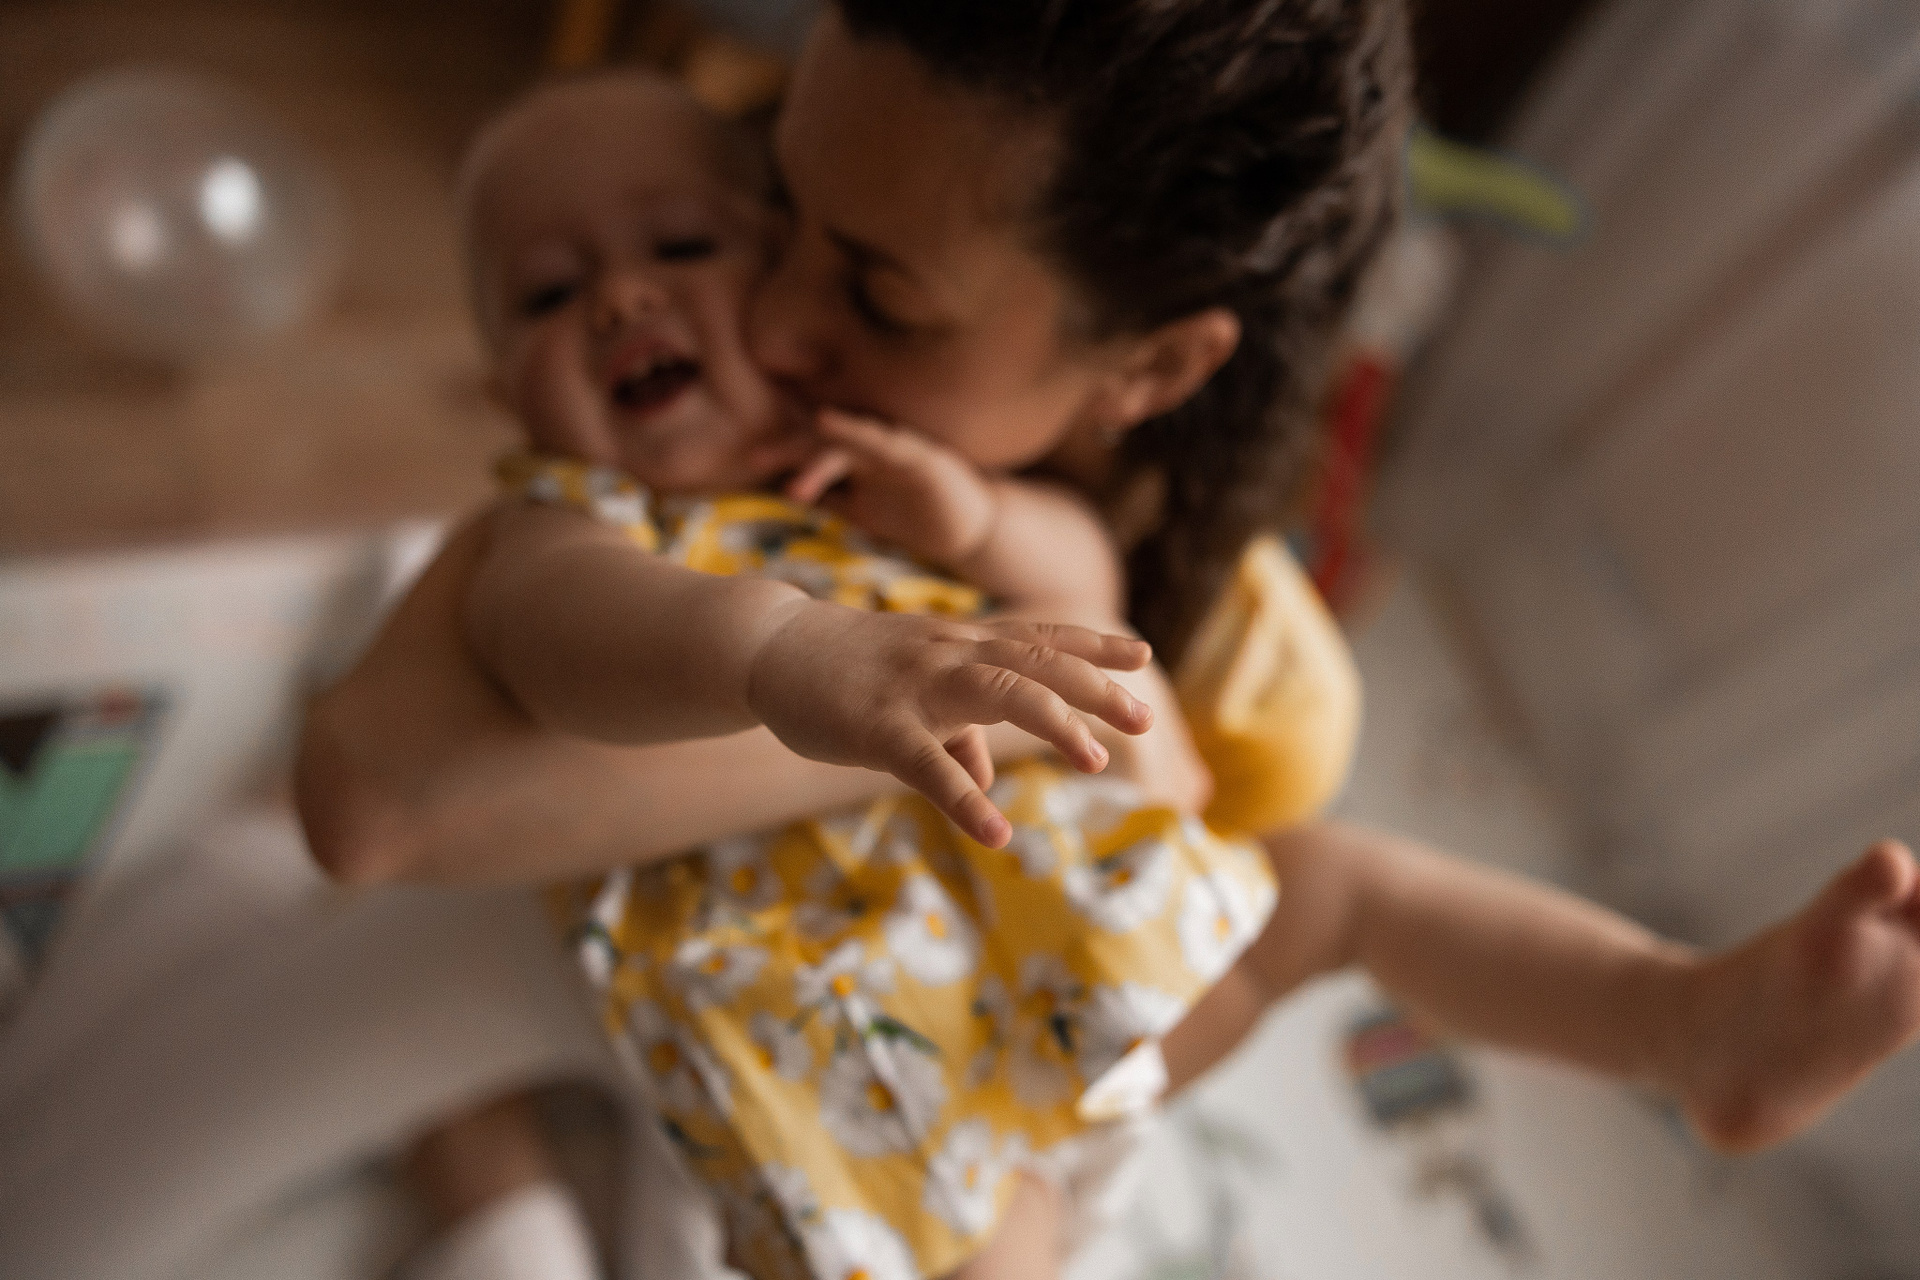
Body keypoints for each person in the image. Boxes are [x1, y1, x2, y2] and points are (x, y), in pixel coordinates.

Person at [298, 5, 1920, 1280]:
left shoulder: (1113, 565)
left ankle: (1687, 1022)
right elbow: (526, 669)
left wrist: (972, 527)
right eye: (776, 208)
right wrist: (800, 658)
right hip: (880, 1108)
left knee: (1337, 886)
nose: (755, 316)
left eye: (871, 293)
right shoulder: (589, 516)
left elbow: (1091, 619)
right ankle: (492, 1194)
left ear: (1146, 371)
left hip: (1073, 1006)